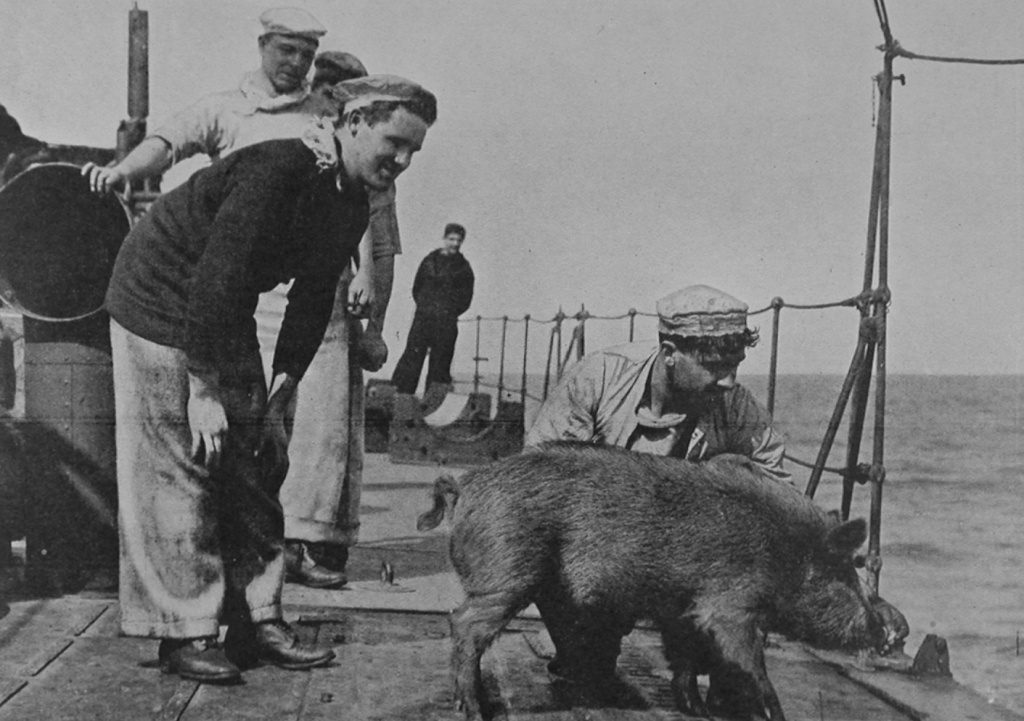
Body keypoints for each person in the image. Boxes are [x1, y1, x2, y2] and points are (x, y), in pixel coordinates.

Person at [104, 76, 437, 684]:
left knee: (260, 459)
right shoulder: (280, 170)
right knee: (182, 462)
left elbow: (311, 300)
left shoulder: (350, 199)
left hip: (215, 307)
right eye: (395, 142)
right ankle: (184, 631)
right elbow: (218, 276)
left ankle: (257, 619)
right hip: (158, 295)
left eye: (415, 151)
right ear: (355, 122)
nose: (403, 160)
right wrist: (202, 391)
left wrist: (280, 396)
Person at [81, 10, 402, 589]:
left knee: (267, 445)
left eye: (307, 53)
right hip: (191, 288)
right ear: (262, 46)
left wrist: (282, 387)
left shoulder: (330, 127)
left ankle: (262, 597)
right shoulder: (254, 135)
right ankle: (185, 614)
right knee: (191, 448)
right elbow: (171, 149)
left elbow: (327, 265)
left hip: (261, 285)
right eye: (287, 50)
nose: (297, 63)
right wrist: (124, 170)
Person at [526, 284, 788, 479]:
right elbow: (539, 473)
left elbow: (777, 491)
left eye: (734, 365)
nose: (729, 382)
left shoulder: (737, 406)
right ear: (670, 353)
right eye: (713, 366)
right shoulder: (596, 379)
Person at [391, 223, 475, 396]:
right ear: (444, 239)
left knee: (440, 364)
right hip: (423, 318)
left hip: (446, 322)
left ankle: (434, 403)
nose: (455, 243)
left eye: (459, 240)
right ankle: (399, 397)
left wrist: (448, 311)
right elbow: (417, 288)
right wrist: (425, 306)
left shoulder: (464, 269)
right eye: (451, 239)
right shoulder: (429, 261)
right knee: (411, 359)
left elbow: (465, 300)